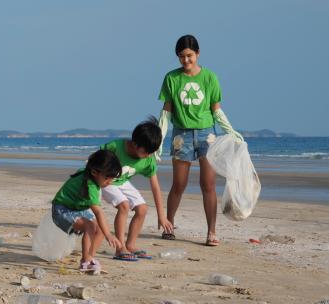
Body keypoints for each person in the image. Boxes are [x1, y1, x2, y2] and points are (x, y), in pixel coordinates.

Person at [156, 35, 244, 246]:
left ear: (198, 54)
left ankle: (211, 232)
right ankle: (169, 226)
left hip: (207, 135)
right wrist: (158, 141)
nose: (186, 61)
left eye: (189, 56)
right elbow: (166, 113)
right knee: (179, 184)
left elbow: (216, 110)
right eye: (181, 57)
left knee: (209, 184)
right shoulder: (171, 78)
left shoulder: (210, 78)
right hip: (181, 135)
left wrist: (231, 131)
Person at [100, 118, 173, 261]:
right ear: (135, 144)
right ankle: (120, 247)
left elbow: (155, 186)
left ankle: (131, 244)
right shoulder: (115, 147)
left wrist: (161, 216)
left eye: (152, 152)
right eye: (147, 152)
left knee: (142, 208)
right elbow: (94, 161)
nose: (149, 155)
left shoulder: (148, 159)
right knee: (124, 205)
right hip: (105, 181)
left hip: (122, 181)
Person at [52, 150, 123, 272]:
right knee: (90, 226)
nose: (109, 182)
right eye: (106, 178)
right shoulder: (90, 185)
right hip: (62, 211)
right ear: (94, 172)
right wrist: (109, 235)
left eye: (112, 179)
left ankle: (89, 257)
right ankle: (85, 260)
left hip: (78, 210)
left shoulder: (89, 174)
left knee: (100, 228)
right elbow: (98, 212)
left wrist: (105, 232)